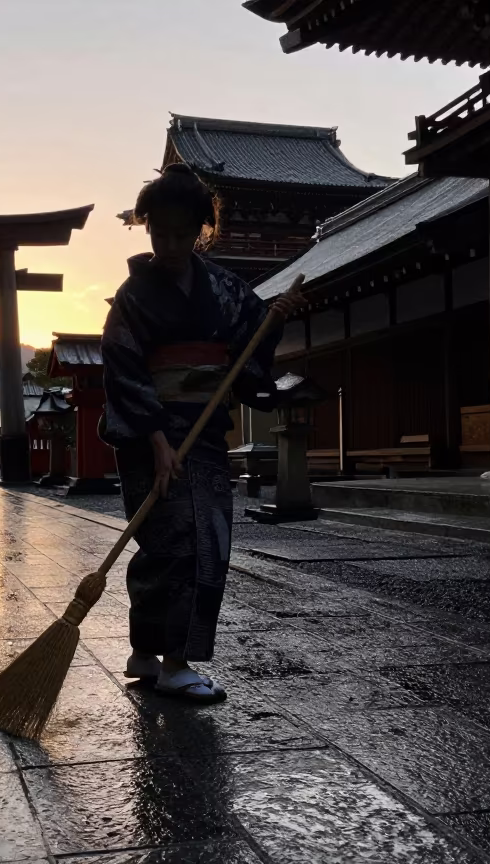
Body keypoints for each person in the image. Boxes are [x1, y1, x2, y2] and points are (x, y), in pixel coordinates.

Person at [100, 163, 302, 704]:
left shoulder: (224, 289)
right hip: (150, 438)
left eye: (178, 232)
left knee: (202, 542)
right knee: (166, 543)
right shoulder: (134, 295)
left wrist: (274, 319)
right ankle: (157, 657)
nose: (166, 243)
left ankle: (169, 658)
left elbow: (249, 344)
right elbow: (123, 366)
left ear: (199, 230)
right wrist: (158, 439)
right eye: (157, 232)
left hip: (205, 435)